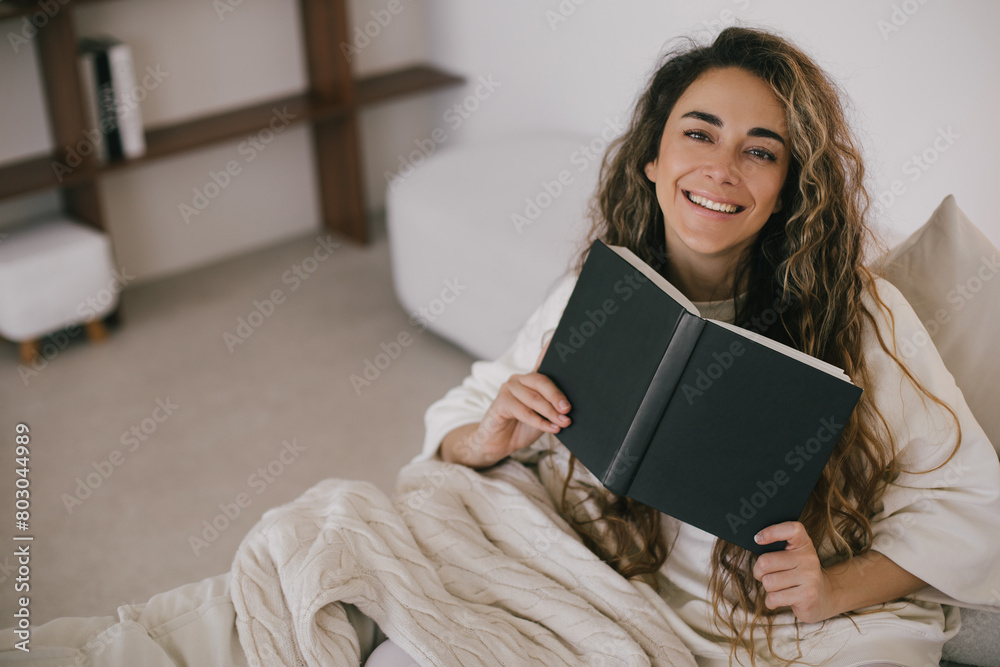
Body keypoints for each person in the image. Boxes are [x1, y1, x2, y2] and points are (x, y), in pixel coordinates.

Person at [416, 27, 1000, 667]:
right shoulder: (602, 288)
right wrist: (487, 437)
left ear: (788, 190)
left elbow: (972, 504)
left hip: (770, 627)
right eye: (699, 134)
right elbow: (465, 412)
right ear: (652, 158)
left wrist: (833, 589)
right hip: (588, 577)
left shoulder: (860, 316)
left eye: (761, 151)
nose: (722, 169)